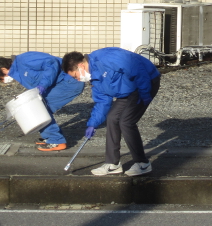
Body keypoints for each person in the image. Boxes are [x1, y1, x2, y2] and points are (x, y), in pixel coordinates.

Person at [62, 47, 161, 176]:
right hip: (126, 90)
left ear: (80, 66)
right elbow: (102, 102)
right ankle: (113, 164)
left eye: (76, 76)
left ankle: (143, 164)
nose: (78, 79)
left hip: (144, 83)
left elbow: (137, 68)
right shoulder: (93, 78)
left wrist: (145, 92)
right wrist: (93, 124)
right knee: (112, 118)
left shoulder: (106, 57)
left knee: (126, 121)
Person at [0, 52, 85, 151]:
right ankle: (51, 138)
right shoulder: (18, 72)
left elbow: (52, 63)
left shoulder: (25, 59)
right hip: (61, 83)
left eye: (1, 78)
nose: (4, 81)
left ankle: (56, 141)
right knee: (38, 106)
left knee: (40, 108)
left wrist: (43, 85)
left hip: (70, 82)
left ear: (3, 69)